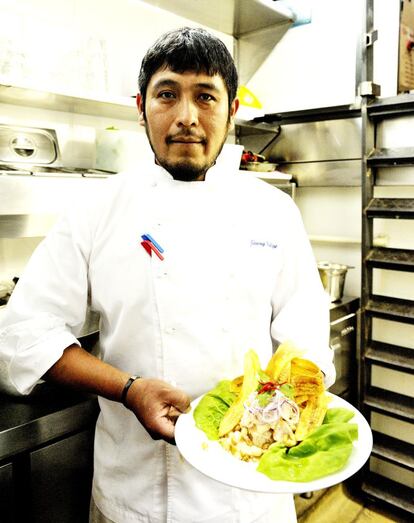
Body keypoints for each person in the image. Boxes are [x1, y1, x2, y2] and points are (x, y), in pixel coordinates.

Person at [0, 27, 335, 523]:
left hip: (250, 491)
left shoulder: (274, 212)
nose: (186, 117)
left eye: (205, 96)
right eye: (167, 94)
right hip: (135, 494)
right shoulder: (98, 209)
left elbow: (304, 346)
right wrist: (129, 389)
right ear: (141, 107)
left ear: (232, 109)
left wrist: (272, 420)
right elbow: (22, 334)